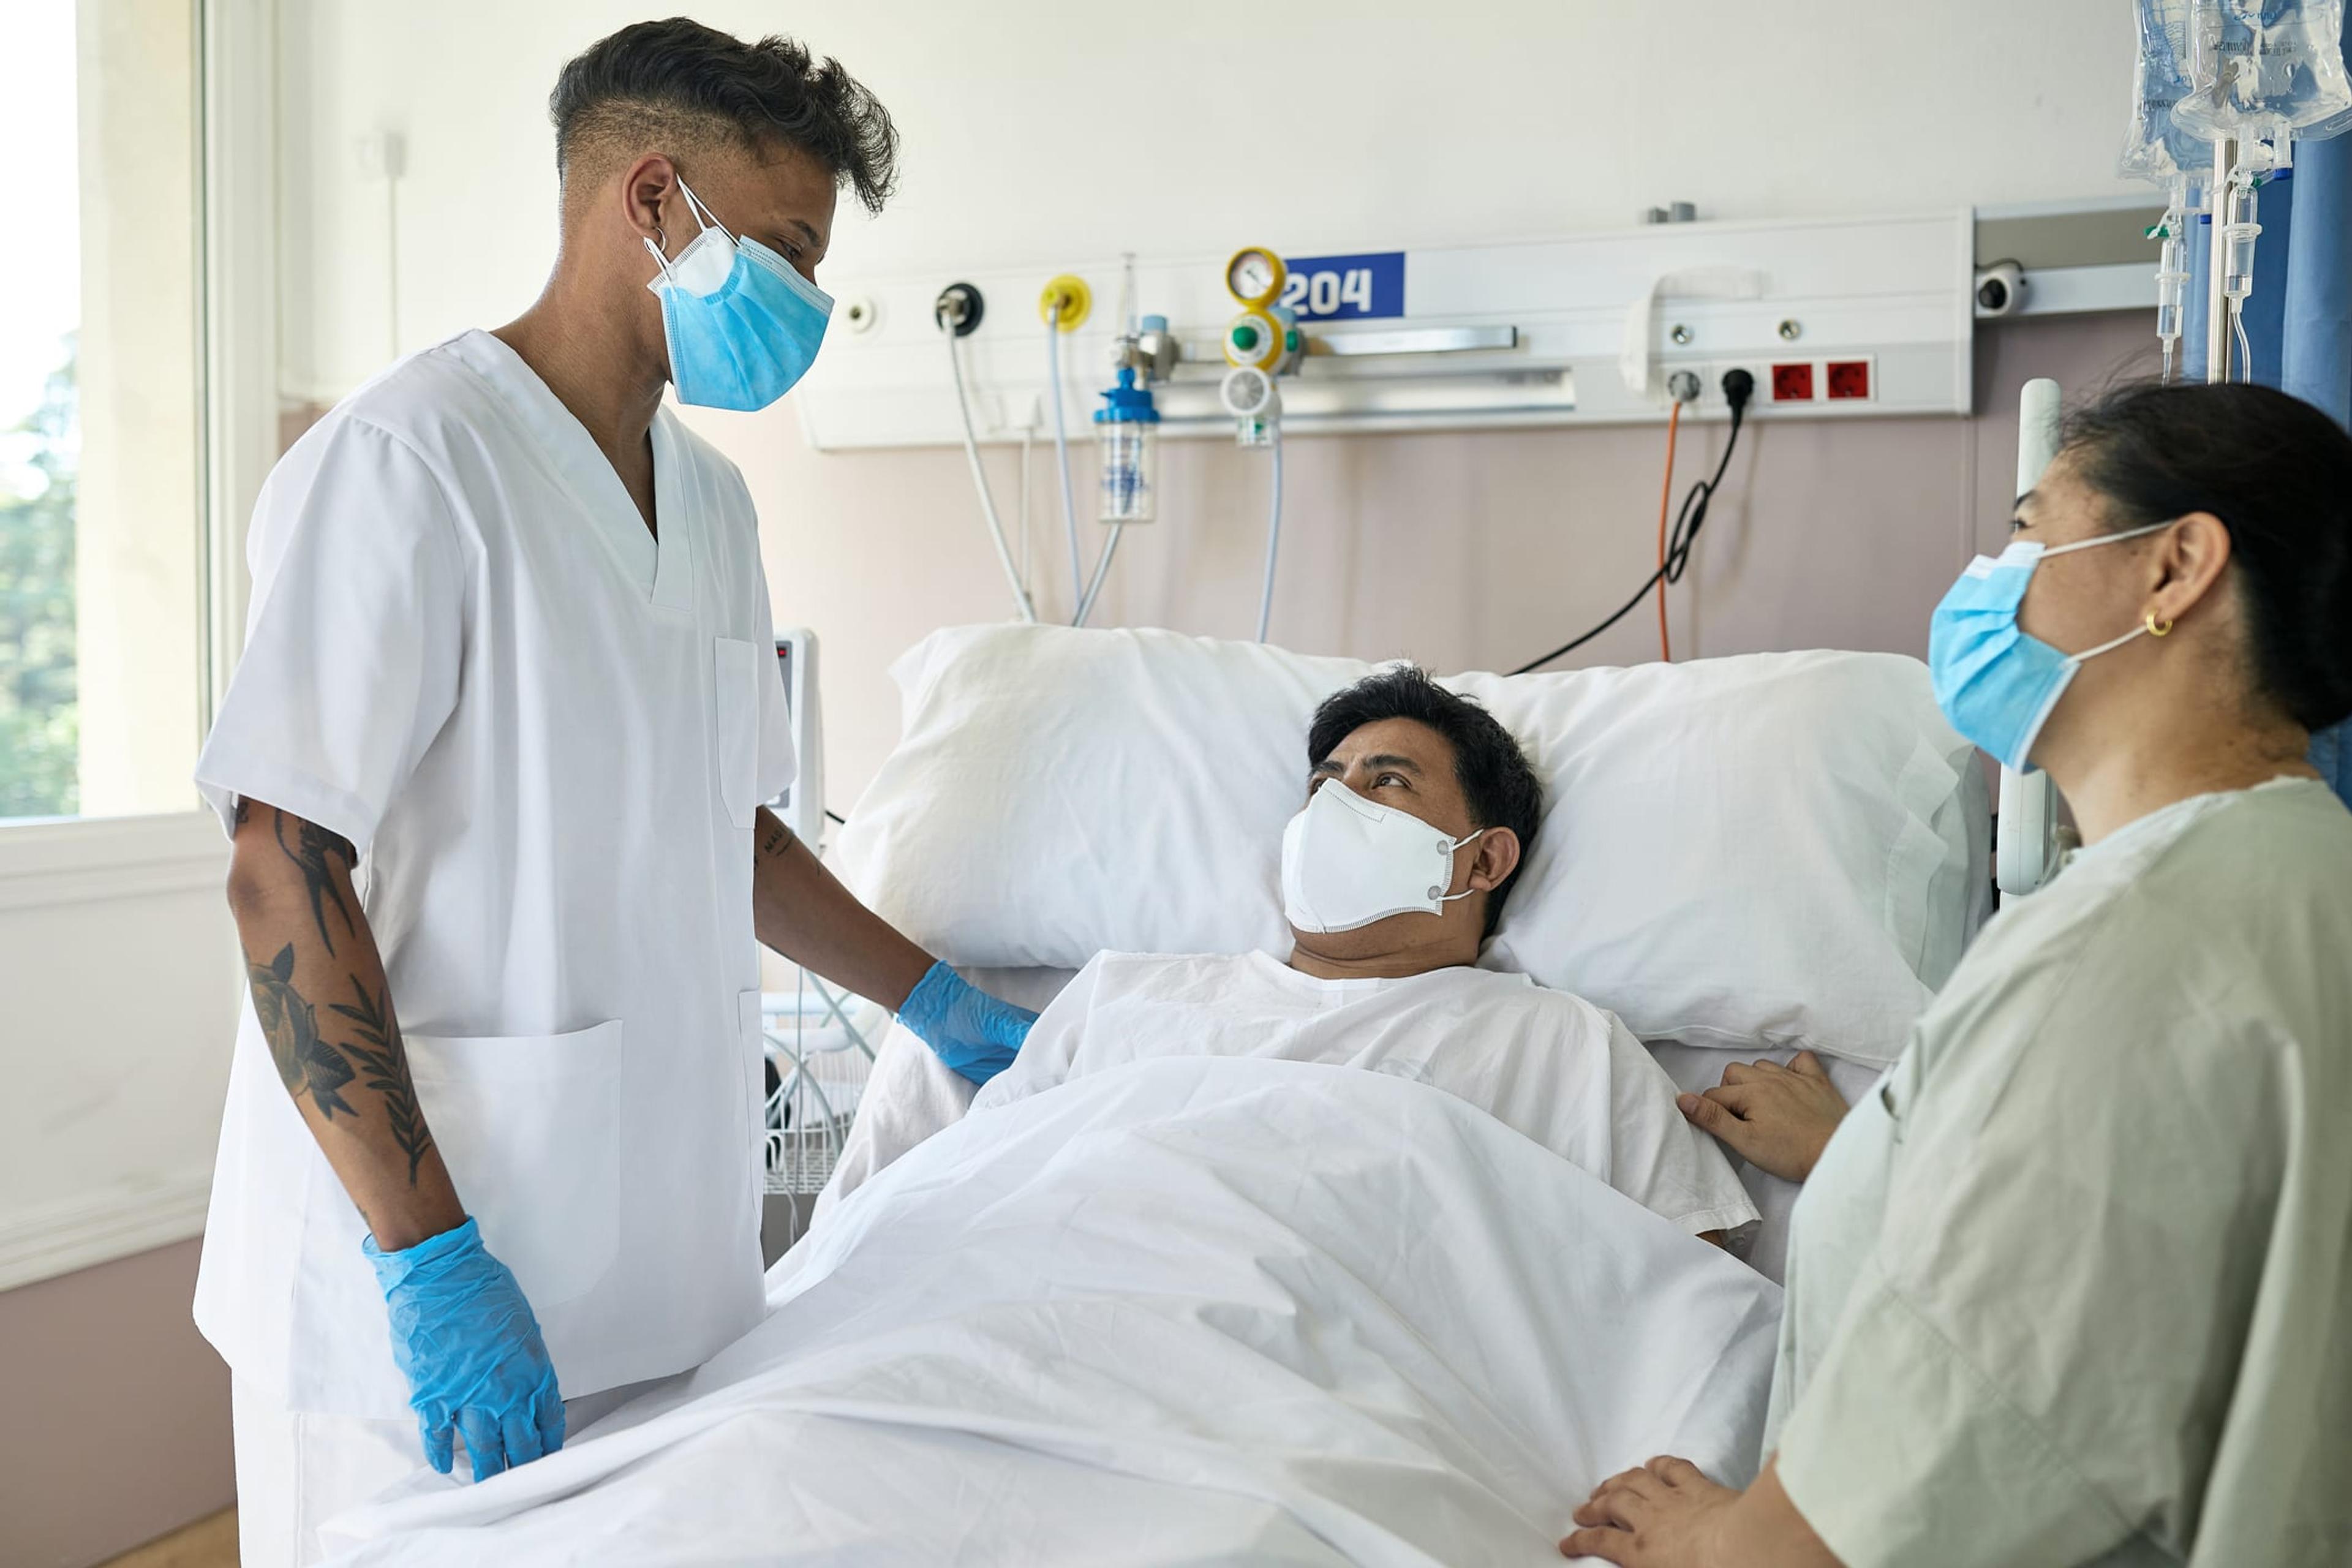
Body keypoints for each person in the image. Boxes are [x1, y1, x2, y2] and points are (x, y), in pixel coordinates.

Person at [194, 21, 1033, 1566]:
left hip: (661, 1269)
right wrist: (430, 1251)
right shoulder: (408, 462)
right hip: (428, 1274)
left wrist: (940, 1003)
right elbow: (279, 861)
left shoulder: (709, 503)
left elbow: (729, 823)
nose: (808, 306)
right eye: (785, 251)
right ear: (653, 198)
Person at [1560, 380, 2352, 1567]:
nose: (1992, 577)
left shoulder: (2120, 949)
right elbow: (2138, 1227)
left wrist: (1716, 1540)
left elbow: (1950, 1446)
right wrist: (1878, 1154)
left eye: (2032, 534)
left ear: (2175, 567)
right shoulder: (2295, 872)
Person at [973, 666, 1760, 1244]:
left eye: (1386, 782)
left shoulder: (1560, 1045)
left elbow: (1690, 1290)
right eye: (1324, 786)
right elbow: (968, 1189)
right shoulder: (1124, 993)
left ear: (1483, 862)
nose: (1337, 806)